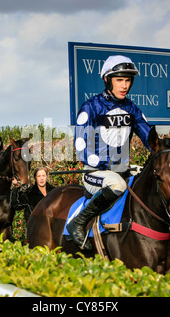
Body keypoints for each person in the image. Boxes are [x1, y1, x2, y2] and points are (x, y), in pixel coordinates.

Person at [67, 55, 152, 250]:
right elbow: (81, 148)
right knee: (117, 184)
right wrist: (105, 163)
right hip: (95, 173)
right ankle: (78, 223)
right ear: (107, 80)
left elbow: (149, 137)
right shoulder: (91, 107)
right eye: (119, 80)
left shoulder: (132, 109)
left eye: (128, 80)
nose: (124, 85)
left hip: (121, 170)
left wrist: (163, 149)